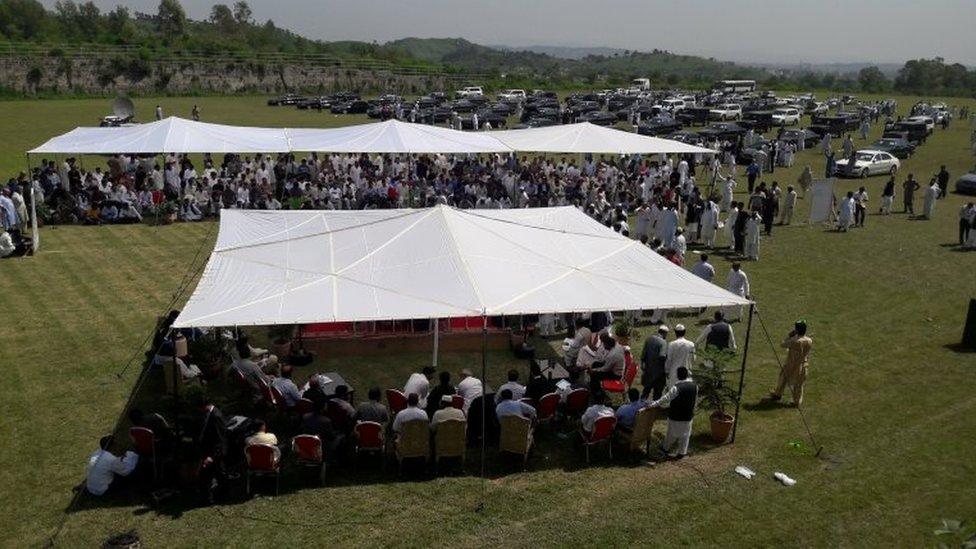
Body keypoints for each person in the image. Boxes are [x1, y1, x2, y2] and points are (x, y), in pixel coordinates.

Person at [649, 366, 698, 459]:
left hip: (676, 415)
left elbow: (665, 398)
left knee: (671, 433)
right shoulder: (695, 386)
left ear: (678, 376)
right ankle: (682, 452)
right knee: (686, 435)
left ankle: (665, 448)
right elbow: (695, 399)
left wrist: (653, 404)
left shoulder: (677, 388)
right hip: (688, 414)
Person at [769, 320, 814, 407]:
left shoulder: (795, 341)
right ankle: (796, 401)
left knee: (783, 378)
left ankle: (777, 394)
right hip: (804, 364)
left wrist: (789, 336)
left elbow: (783, 344)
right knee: (799, 384)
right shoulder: (809, 340)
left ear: (796, 330)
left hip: (792, 363)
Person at [640, 325, 669, 400]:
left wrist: (643, 364)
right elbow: (662, 356)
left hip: (648, 370)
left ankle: (640, 406)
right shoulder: (663, 342)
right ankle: (654, 409)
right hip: (658, 373)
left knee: (646, 391)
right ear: (665, 333)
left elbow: (643, 354)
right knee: (657, 394)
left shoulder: (649, 339)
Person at [664, 324, 695, 390]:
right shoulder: (691, 344)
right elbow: (693, 359)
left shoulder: (672, 344)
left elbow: (669, 359)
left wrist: (666, 370)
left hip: (674, 373)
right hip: (687, 372)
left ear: (675, 333)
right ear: (684, 332)